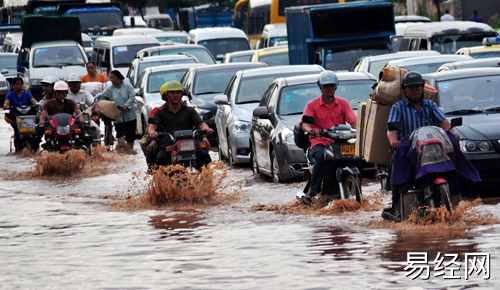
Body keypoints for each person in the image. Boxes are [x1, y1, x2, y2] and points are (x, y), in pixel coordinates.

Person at [385, 71, 451, 222]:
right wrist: (394, 141)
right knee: (397, 167)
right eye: (411, 87)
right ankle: (396, 208)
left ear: (422, 88)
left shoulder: (431, 105)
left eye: (417, 87)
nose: (415, 90)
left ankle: (457, 196)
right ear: (405, 90)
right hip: (407, 151)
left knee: (452, 163)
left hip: (430, 149)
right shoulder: (398, 107)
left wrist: (451, 133)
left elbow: (445, 123)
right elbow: (391, 129)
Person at [300, 71, 357, 204]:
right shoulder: (312, 105)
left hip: (340, 142)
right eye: (326, 86)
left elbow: (354, 121)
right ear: (320, 87)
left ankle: (357, 186)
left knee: (357, 157)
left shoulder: (343, 104)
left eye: (331, 85)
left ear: (336, 87)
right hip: (320, 142)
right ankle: (312, 191)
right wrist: (311, 130)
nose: (329, 88)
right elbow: (305, 125)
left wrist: (359, 130)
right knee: (320, 157)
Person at [147, 81, 213, 168]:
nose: (175, 95)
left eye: (178, 92)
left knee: (204, 155)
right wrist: (152, 132)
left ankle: (205, 179)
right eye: (172, 92)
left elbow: (201, 124)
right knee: (161, 158)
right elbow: (152, 127)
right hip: (168, 144)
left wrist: (206, 129)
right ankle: (162, 180)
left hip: (189, 143)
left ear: (181, 95)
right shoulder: (159, 112)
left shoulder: (190, 110)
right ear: (167, 95)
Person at [98, 70, 137, 150]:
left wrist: (126, 106)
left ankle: (130, 151)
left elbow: (132, 97)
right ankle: (122, 151)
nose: (111, 80)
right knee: (120, 135)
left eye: (113, 78)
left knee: (130, 137)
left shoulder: (128, 86)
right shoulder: (109, 89)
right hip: (117, 116)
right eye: (110, 78)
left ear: (119, 78)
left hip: (130, 116)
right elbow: (103, 97)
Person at [38, 81, 86, 145]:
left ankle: (81, 140)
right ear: (55, 93)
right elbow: (43, 114)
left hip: (68, 126)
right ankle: (38, 143)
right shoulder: (48, 103)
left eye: (63, 93)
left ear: (66, 94)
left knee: (78, 123)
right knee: (42, 127)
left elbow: (77, 111)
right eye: (59, 93)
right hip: (53, 126)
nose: (61, 95)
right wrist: (42, 121)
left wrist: (81, 118)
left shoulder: (71, 102)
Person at [3, 77, 38, 152]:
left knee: (35, 127)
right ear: (13, 85)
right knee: (16, 126)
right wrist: (6, 106)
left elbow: (34, 101)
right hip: (16, 118)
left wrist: (37, 104)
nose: (18, 86)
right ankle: (18, 140)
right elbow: (6, 102)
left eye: (20, 84)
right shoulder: (10, 95)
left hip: (28, 118)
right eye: (16, 84)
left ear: (22, 85)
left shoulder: (27, 94)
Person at [66, 73, 102, 144]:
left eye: (77, 83)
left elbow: (94, 103)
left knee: (96, 128)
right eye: (73, 83)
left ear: (80, 84)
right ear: (69, 84)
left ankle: (97, 149)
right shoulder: (65, 94)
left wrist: (97, 109)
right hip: (68, 120)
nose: (75, 85)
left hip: (84, 120)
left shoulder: (85, 93)